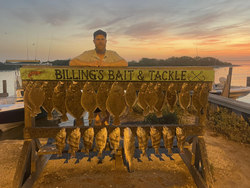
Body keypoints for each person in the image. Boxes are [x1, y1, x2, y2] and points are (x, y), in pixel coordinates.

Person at [69, 30, 128, 126]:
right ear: (94, 41)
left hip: (109, 92)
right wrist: (90, 64)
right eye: (98, 39)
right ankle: (96, 135)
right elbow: (72, 63)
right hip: (92, 93)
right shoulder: (87, 54)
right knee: (96, 118)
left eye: (102, 39)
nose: (100, 41)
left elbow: (124, 63)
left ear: (106, 41)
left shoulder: (112, 54)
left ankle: (104, 137)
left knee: (106, 117)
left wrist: (107, 64)